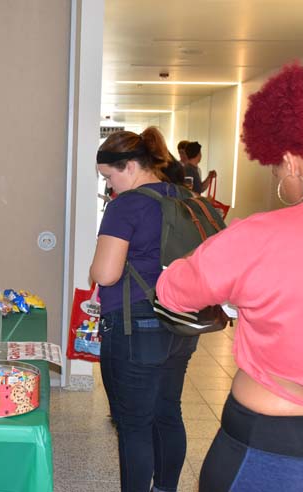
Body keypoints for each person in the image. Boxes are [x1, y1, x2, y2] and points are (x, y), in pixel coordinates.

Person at [156, 57, 303, 491]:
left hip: (267, 452)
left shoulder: (260, 236)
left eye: (274, 165)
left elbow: (174, 292)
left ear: (291, 161)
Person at [89, 126, 197, 492]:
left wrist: (94, 266)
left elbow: (105, 273)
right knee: (168, 412)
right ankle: (165, 488)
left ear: (130, 166)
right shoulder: (184, 196)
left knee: (134, 424)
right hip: (181, 320)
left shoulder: (128, 205)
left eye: (109, 176)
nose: (109, 187)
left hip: (136, 326)